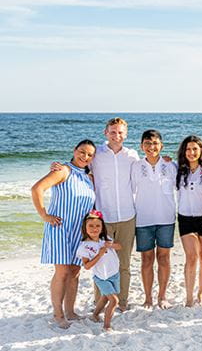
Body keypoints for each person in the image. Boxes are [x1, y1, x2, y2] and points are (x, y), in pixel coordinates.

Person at [32, 139, 97, 329]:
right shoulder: (63, 170)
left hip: (79, 231)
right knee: (62, 272)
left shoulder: (88, 177)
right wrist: (44, 215)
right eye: (82, 152)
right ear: (74, 150)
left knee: (75, 272)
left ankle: (70, 311)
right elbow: (37, 189)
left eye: (90, 155)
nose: (85, 157)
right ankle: (58, 314)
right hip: (60, 228)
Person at [89, 117, 139, 311]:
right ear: (105, 133)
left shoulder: (132, 155)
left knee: (124, 262)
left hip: (127, 215)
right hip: (103, 217)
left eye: (120, 132)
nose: (116, 135)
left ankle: (122, 301)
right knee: (101, 261)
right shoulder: (97, 155)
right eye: (112, 132)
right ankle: (99, 302)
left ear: (125, 134)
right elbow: (79, 166)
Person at [131, 130, 177, 309]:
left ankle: (162, 296)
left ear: (161, 146)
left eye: (155, 143)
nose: (152, 147)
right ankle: (148, 298)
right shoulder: (135, 166)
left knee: (164, 258)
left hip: (166, 218)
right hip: (143, 219)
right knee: (147, 259)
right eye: (148, 144)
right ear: (142, 146)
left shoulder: (170, 165)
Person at [176, 135, 202, 307]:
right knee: (191, 257)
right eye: (188, 149)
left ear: (201, 151)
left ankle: (201, 293)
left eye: (195, 149)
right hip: (185, 217)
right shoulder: (177, 169)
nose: (191, 152)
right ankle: (188, 296)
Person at [76, 210, 122, 331]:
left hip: (114, 274)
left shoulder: (105, 239)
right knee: (114, 300)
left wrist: (110, 245)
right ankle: (107, 325)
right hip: (101, 277)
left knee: (105, 297)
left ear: (102, 228)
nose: (94, 228)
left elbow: (119, 246)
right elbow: (87, 266)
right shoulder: (84, 246)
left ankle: (95, 314)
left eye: (97, 226)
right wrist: (100, 254)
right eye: (90, 226)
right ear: (85, 228)